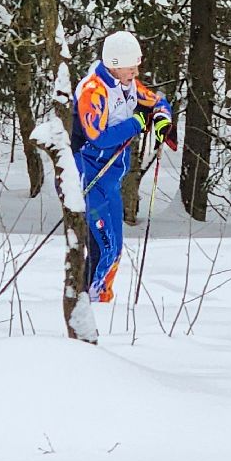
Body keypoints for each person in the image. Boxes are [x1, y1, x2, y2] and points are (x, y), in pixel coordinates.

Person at [72, 31, 175, 302]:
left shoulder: (127, 83)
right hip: (88, 174)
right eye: (132, 66)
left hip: (111, 177)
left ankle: (98, 298)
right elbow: (99, 136)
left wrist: (162, 119)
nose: (136, 71)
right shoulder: (93, 90)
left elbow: (157, 101)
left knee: (114, 247)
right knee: (104, 244)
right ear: (115, 64)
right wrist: (137, 124)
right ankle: (89, 301)